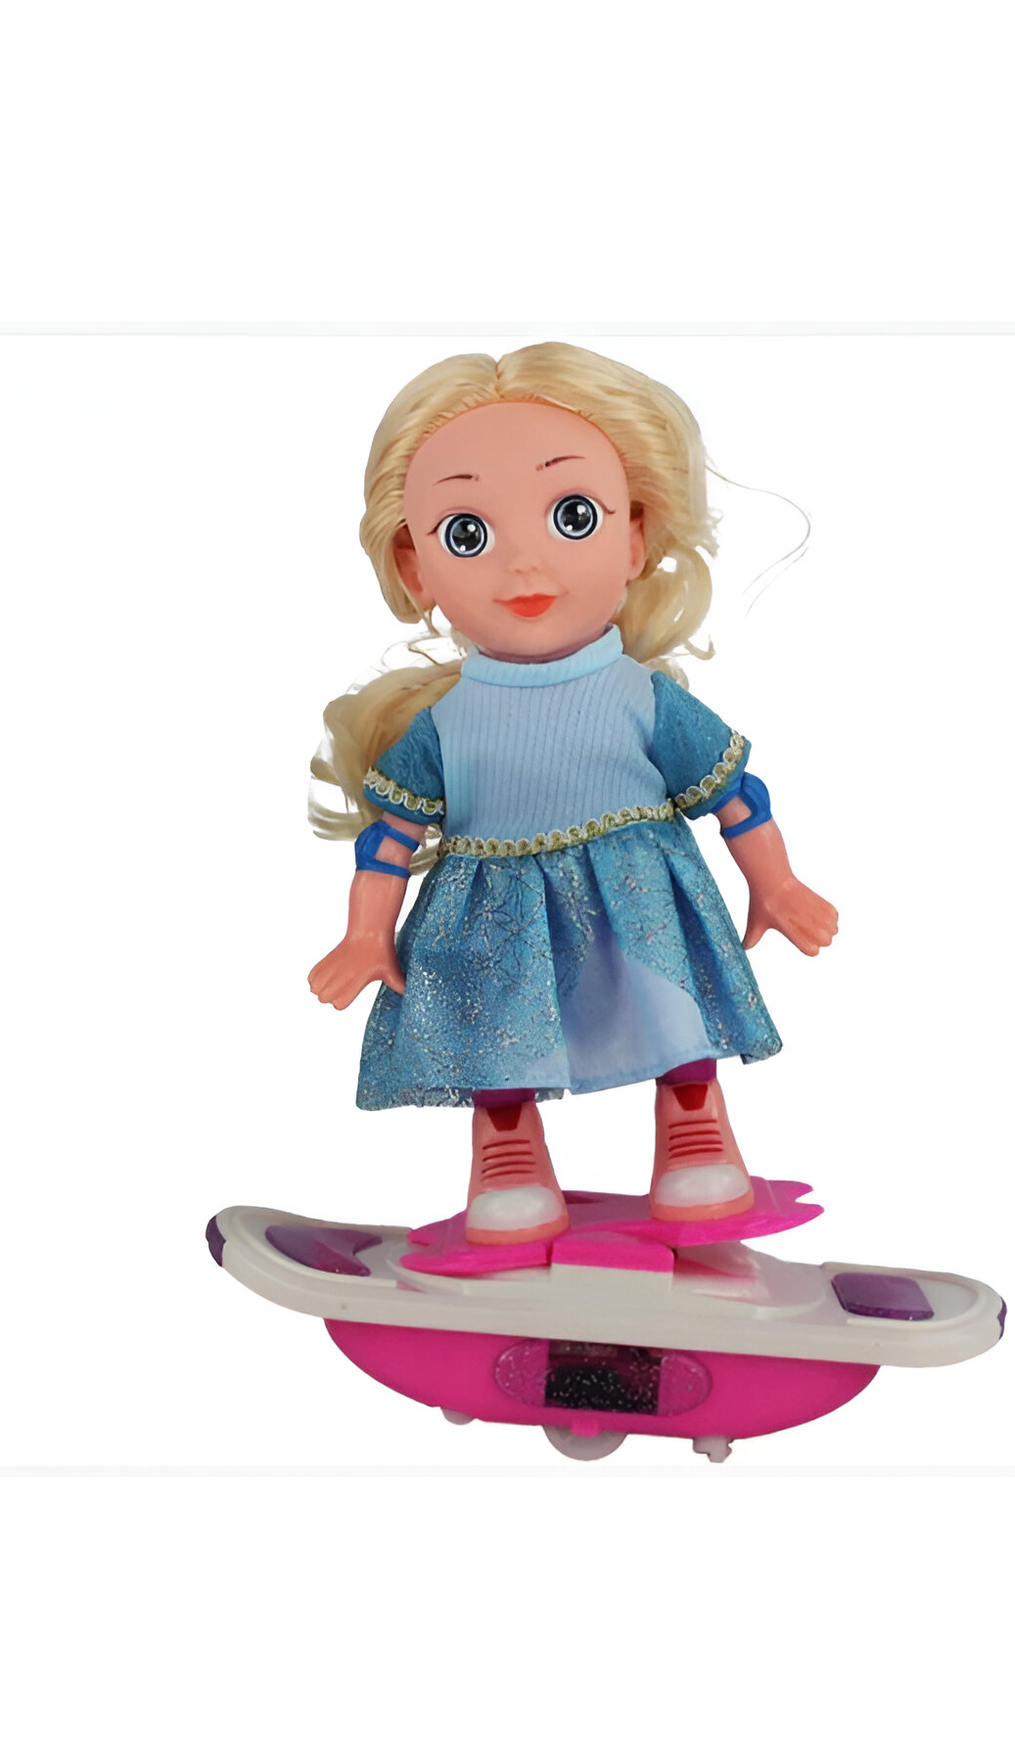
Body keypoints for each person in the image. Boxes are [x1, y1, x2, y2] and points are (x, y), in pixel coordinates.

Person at [308, 344, 837, 1246]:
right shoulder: (443, 729)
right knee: (496, 1032)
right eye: (467, 534)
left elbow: (737, 796)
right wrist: (367, 933)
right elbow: (387, 840)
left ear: (633, 537)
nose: (525, 564)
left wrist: (777, 884)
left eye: (572, 516)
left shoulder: (645, 700)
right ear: (414, 567)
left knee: (672, 1012)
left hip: (639, 900)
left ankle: (694, 1129)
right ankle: (508, 1151)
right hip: (495, 915)